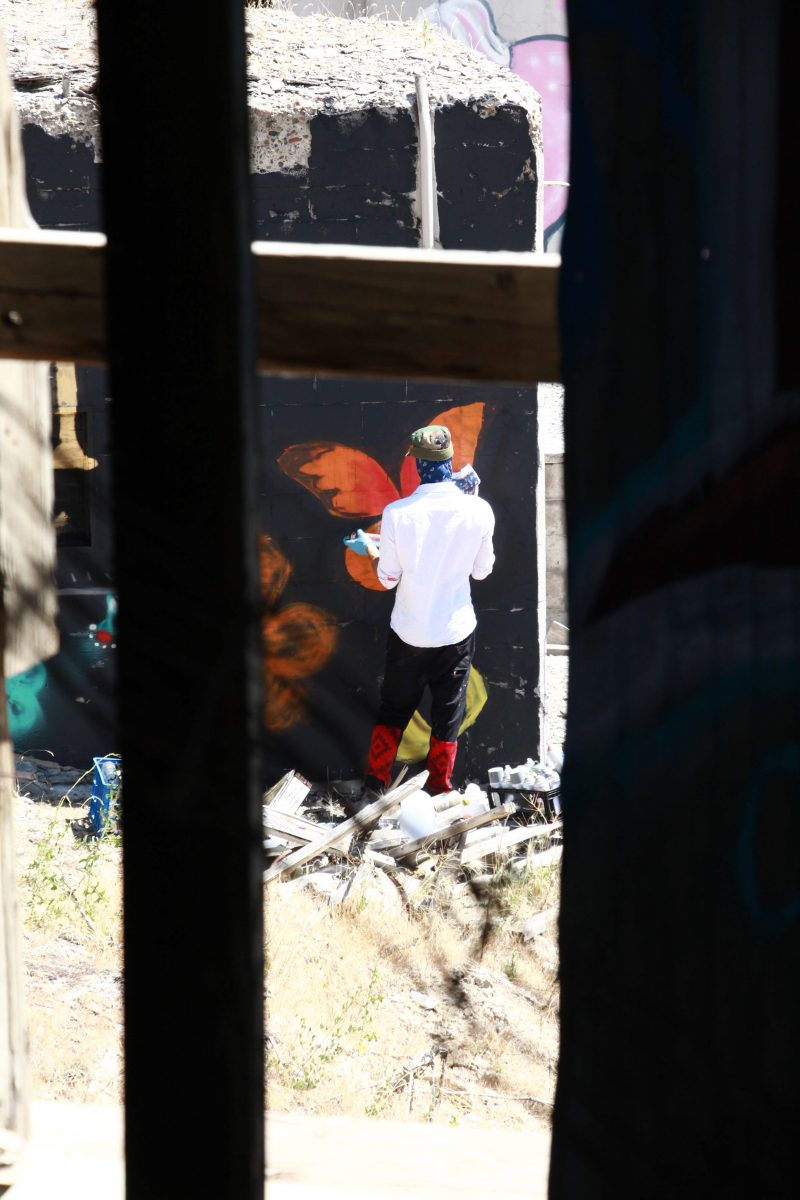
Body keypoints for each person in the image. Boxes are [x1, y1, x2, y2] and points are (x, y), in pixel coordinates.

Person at [345, 424, 495, 804]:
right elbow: (482, 571)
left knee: (394, 709)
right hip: (455, 632)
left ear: (416, 464)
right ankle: (439, 789)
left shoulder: (397, 514)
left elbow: (388, 578)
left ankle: (375, 785)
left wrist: (373, 549)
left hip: (409, 633)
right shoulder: (479, 510)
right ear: (450, 460)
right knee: (449, 714)